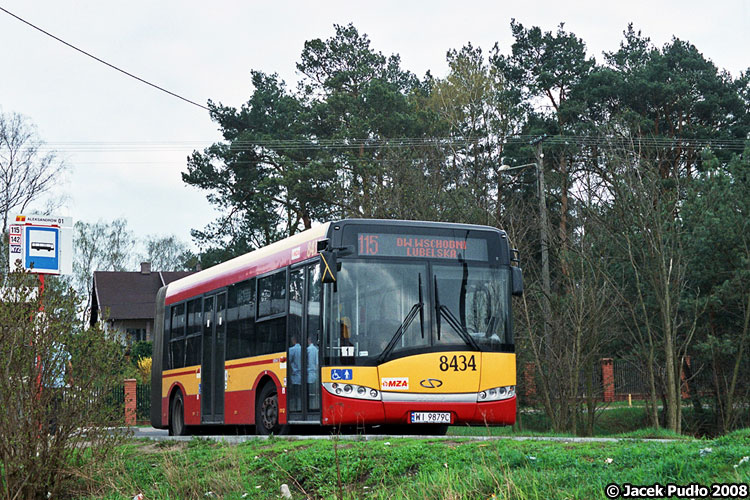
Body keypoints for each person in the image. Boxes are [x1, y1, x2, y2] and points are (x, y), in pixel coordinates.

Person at [288, 336, 302, 411]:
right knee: (300, 394)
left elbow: (288, 362)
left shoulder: (292, 350)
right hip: (302, 376)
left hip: (294, 376)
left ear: (293, 340)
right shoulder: (304, 350)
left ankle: (296, 408)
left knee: (295, 394)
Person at [306, 335, 319, 409]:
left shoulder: (308, 350)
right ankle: (315, 406)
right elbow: (317, 364)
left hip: (309, 374)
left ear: (309, 340)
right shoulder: (316, 350)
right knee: (315, 393)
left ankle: (310, 407)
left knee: (310, 393)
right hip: (315, 374)